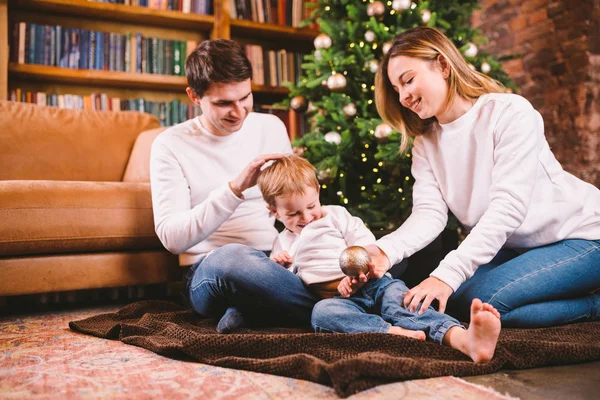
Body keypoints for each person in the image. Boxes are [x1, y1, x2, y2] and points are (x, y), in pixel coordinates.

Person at [360, 26, 600, 328]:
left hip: (583, 237)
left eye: (408, 80)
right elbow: (430, 214)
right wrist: (385, 250)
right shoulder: (426, 142)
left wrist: (446, 275)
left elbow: (508, 207)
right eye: (397, 90)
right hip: (516, 250)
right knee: (461, 303)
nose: (404, 96)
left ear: (443, 65)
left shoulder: (510, 113)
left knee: (487, 303)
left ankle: (594, 306)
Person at [257, 155, 502, 363]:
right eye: (293, 214)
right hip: (338, 298)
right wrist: (278, 264)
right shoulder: (283, 242)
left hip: (374, 282)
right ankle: (390, 332)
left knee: (402, 304)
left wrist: (355, 272)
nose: (307, 217)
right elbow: (287, 282)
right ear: (274, 211)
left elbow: (365, 243)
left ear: (319, 192)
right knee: (322, 315)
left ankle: (463, 339)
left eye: (311, 206)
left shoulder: (335, 216)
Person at [150, 39, 319, 334]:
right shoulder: (170, 145)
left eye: (245, 97)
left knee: (368, 247)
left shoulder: (270, 127)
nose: (239, 112)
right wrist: (235, 189)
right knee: (234, 258)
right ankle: (330, 307)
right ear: (194, 96)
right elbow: (172, 238)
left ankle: (253, 308)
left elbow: (293, 203)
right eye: (223, 103)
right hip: (209, 269)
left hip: (277, 257)